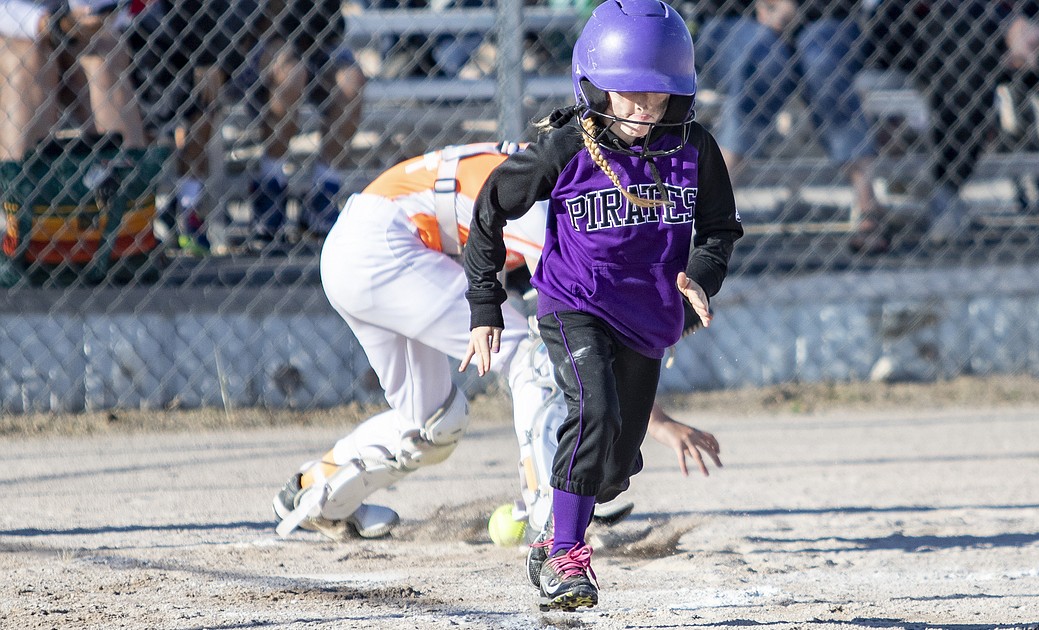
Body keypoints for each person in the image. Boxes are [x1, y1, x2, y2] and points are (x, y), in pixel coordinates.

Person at [271, 141, 723, 543]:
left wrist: (654, 420)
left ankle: (315, 493)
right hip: (383, 244)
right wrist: (655, 421)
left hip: (360, 247)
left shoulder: (573, 174)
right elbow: (579, 340)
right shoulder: (561, 200)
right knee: (533, 352)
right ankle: (549, 506)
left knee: (435, 423)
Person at [461, 0, 742, 611]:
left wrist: (700, 274)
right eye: (628, 93)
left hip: (648, 319)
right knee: (593, 409)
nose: (644, 108)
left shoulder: (694, 147)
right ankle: (565, 554)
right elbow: (490, 207)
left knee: (613, 466)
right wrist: (485, 305)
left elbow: (720, 229)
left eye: (658, 95)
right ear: (596, 86)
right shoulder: (568, 145)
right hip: (574, 302)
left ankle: (558, 530)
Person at [864, 0, 1039, 245]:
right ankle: (947, 193)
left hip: (1035, 24)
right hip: (947, 18)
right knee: (963, 40)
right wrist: (1007, 24)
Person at [692, 0, 887, 251]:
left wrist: (794, 9)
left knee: (822, 65)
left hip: (824, 18)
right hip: (735, 19)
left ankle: (867, 203)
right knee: (764, 61)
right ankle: (713, 207)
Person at [127, 0, 260, 256]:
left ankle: (187, 208)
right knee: (145, 124)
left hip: (188, 50)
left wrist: (209, 59)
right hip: (138, 49)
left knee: (202, 108)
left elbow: (224, 16)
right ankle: (150, 210)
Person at [247, 0, 367, 254]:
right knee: (291, 76)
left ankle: (324, 188)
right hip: (265, 35)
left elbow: (330, 23)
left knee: (351, 82)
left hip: (320, 36)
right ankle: (271, 180)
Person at [0, 0, 146, 161]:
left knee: (104, 56)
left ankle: (127, 176)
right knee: (28, 61)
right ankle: (17, 178)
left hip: (66, 25)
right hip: (12, 26)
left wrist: (91, 17)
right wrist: (49, 24)